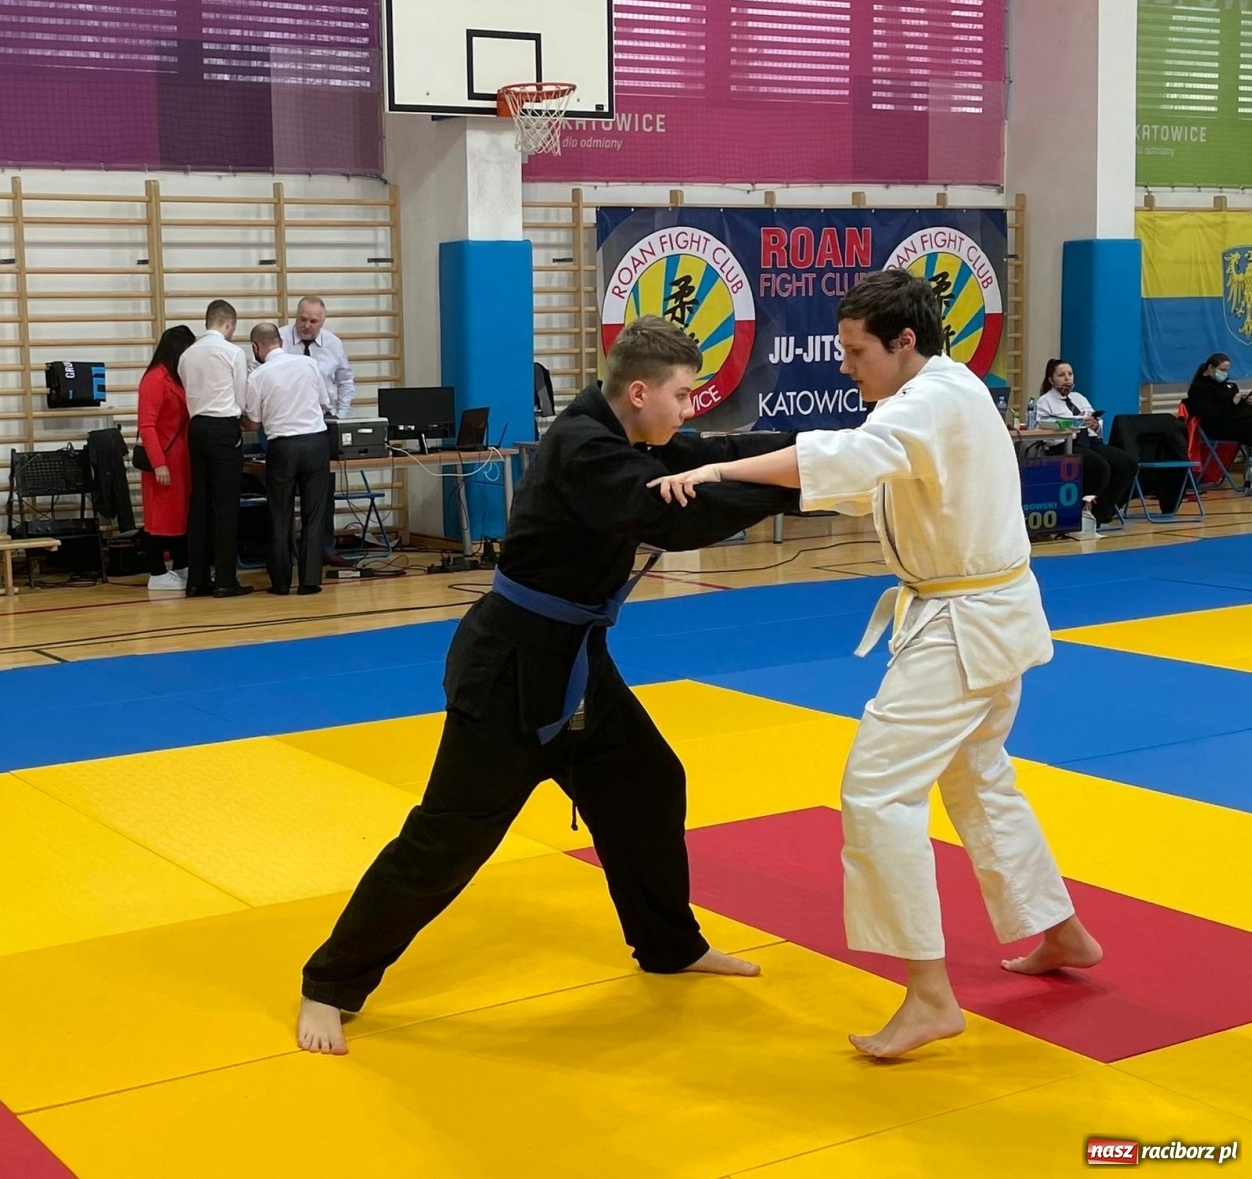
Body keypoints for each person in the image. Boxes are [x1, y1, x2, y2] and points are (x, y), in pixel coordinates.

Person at [297, 315, 799, 1055]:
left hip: (575, 661)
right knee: (449, 837)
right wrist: (797, 486)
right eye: (683, 394)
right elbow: (673, 515)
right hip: (510, 670)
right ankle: (330, 983)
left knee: (648, 784)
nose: (690, 408)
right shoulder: (585, 449)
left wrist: (817, 456)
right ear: (639, 392)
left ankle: (668, 945)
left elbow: (709, 454)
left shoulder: (629, 435)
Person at [651, 272, 1102, 1059]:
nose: (845, 365)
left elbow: (854, 457)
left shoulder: (933, 400)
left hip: (965, 627)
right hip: (983, 616)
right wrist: (733, 470)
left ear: (905, 341)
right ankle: (1060, 930)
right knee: (978, 779)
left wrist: (719, 470)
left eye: (857, 351)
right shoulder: (939, 396)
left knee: (876, 791)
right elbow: (867, 482)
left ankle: (929, 995)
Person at [243, 322, 332, 596]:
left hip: (282, 447)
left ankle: (280, 583)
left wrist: (236, 419)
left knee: (280, 516)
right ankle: (309, 581)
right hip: (316, 442)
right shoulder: (308, 364)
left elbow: (254, 423)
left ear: (255, 347)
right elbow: (324, 403)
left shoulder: (257, 376)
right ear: (280, 341)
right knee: (314, 515)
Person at [178, 299, 252, 598]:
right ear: (229, 324)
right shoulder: (232, 352)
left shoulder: (187, 354)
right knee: (226, 506)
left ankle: (196, 580)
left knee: (199, 504)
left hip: (196, 428)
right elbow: (242, 398)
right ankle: (225, 579)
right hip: (223, 427)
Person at [280, 296, 355, 566]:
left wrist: (340, 419)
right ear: (295, 316)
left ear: (322, 321)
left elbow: (345, 381)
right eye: (303, 319)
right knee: (284, 494)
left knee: (323, 491)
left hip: (322, 422)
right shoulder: (279, 340)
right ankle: (286, 553)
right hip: (285, 423)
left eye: (314, 321)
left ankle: (325, 548)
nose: (307, 325)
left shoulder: (333, 344)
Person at [1036, 358, 1136, 524]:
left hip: (1090, 441)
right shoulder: (1044, 402)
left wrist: (1096, 424)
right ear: (1051, 380)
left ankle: (1102, 510)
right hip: (1064, 444)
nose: (1067, 378)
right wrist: (1068, 426)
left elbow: (1096, 424)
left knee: (1128, 464)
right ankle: (1081, 512)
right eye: (1061, 375)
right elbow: (1045, 432)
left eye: (1070, 374)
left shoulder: (1079, 398)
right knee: (1100, 467)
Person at [137, 325, 196, 591]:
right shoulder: (155, 378)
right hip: (163, 460)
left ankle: (181, 566)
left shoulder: (177, 378)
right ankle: (157, 572)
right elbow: (146, 425)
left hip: (182, 460)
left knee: (181, 516)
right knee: (159, 518)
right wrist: (158, 463)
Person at [1186, 352, 1252, 447]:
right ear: (1210, 368)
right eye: (1222, 370)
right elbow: (1210, 414)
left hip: (1234, 420)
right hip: (1217, 427)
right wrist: (1232, 402)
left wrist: (1244, 400)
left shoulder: (1224, 385)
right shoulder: (1199, 389)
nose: (1225, 373)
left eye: (1227, 371)